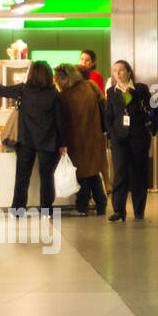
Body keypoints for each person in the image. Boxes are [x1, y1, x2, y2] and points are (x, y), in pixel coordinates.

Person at [0, 60, 66, 212]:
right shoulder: (55, 94)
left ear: (31, 73)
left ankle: (18, 210)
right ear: (49, 75)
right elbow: (61, 122)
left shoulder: (22, 89)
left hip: (26, 139)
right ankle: (46, 210)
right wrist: (63, 143)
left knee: (22, 177)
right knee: (47, 178)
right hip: (48, 141)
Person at [104, 60, 158, 222]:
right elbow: (108, 117)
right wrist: (111, 134)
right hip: (119, 138)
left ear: (129, 72)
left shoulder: (141, 89)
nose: (118, 74)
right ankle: (119, 210)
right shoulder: (111, 92)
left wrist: (152, 129)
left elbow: (154, 110)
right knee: (120, 172)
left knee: (138, 173)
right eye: (115, 71)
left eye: (121, 70)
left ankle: (139, 210)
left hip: (138, 136)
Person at [55, 64, 109, 217]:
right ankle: (101, 203)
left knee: (82, 173)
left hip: (77, 139)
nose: (57, 82)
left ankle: (82, 206)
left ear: (66, 78)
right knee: (92, 172)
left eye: (58, 79)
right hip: (94, 137)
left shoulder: (67, 95)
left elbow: (65, 120)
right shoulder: (89, 87)